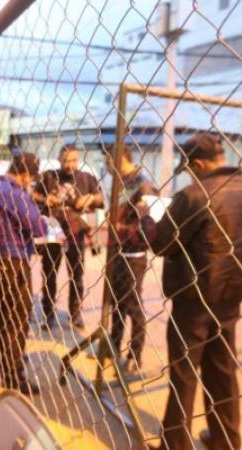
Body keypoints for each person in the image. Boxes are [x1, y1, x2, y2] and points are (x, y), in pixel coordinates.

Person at [149, 134, 242, 450]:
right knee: (222, 370)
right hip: (233, 294)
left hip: (194, 298)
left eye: (190, 169)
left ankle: (175, 444)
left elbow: (161, 243)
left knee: (184, 373)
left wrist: (148, 218)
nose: (190, 175)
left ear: (200, 164)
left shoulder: (194, 195)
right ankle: (226, 440)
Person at [0, 152, 46, 394]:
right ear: (26, 175)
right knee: (17, 319)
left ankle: (2, 361)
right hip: (14, 260)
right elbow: (38, 226)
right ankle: (14, 376)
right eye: (31, 179)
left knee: (3, 316)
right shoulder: (15, 194)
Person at [34, 145, 104, 330]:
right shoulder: (49, 176)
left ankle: (75, 314)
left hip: (75, 233)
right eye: (65, 160)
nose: (69, 164)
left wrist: (88, 199)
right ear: (59, 159)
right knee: (49, 274)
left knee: (77, 276)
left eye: (73, 160)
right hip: (53, 232)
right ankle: (49, 314)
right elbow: (34, 195)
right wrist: (45, 200)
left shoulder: (86, 178)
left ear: (78, 159)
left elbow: (100, 198)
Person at [104, 144, 157, 371]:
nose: (106, 168)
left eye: (108, 163)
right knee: (117, 303)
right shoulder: (120, 183)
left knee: (133, 306)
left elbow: (148, 226)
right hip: (117, 251)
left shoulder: (142, 185)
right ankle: (113, 346)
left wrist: (120, 228)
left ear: (119, 160)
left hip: (133, 255)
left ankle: (135, 355)